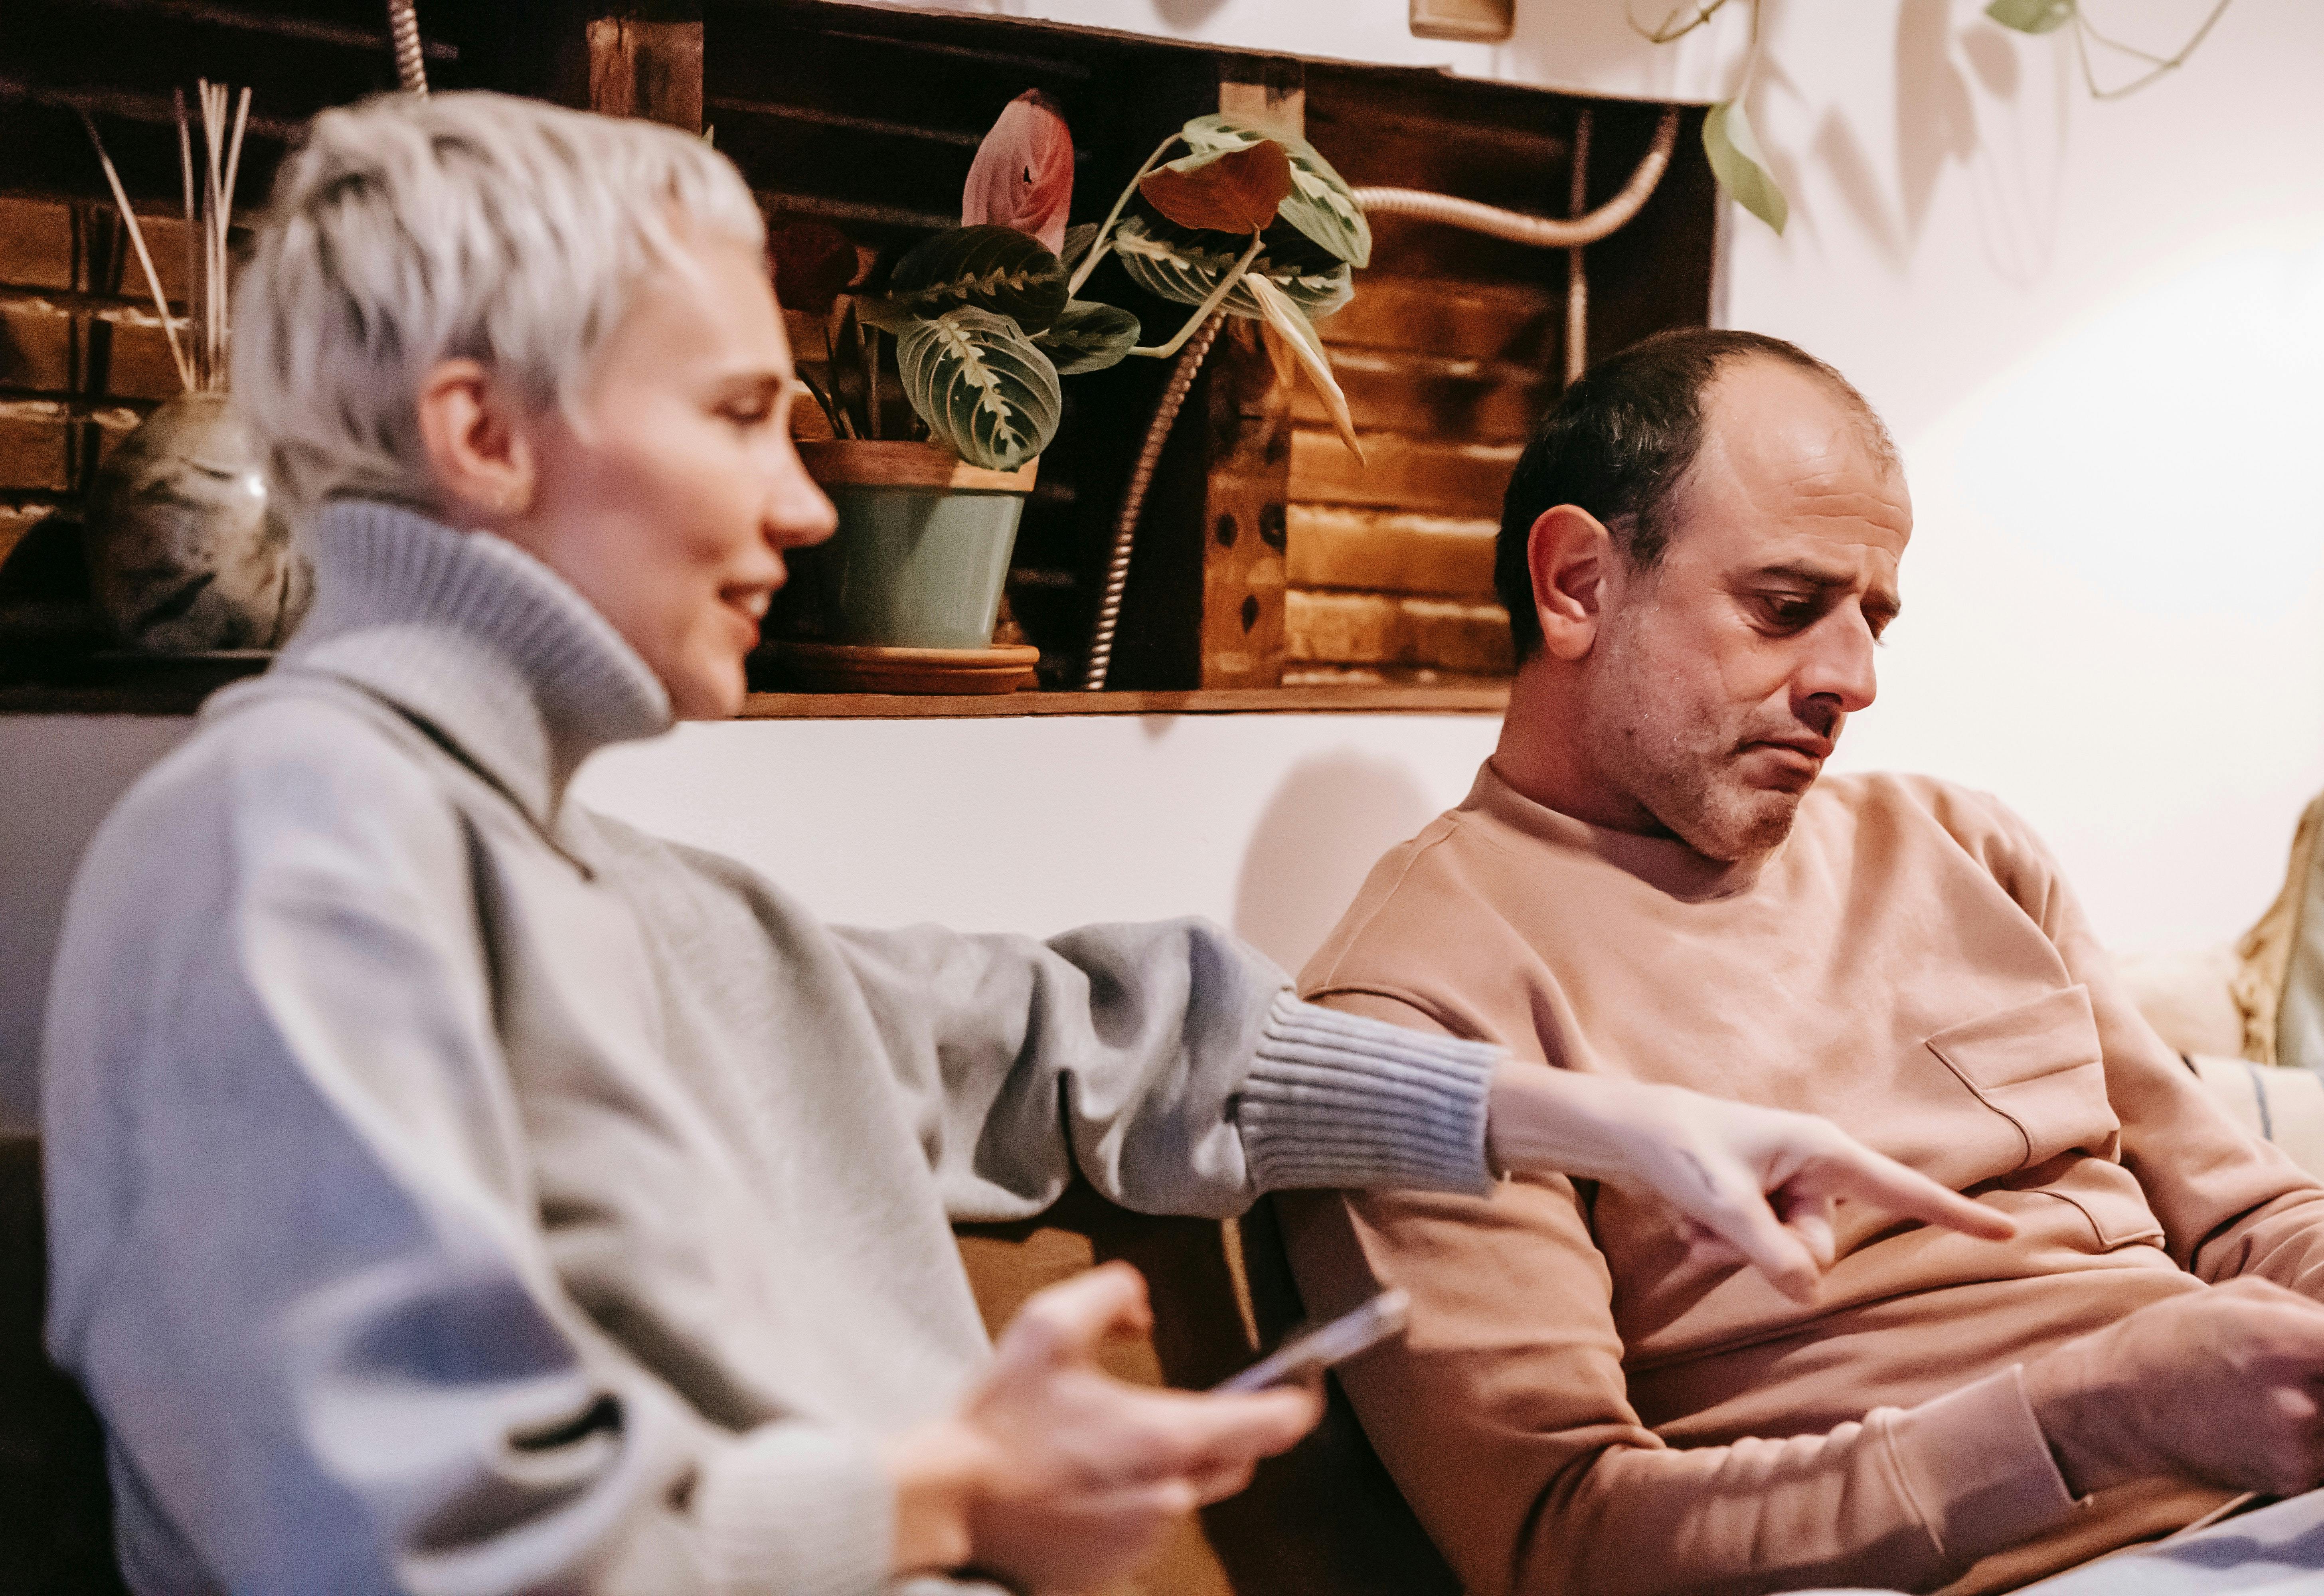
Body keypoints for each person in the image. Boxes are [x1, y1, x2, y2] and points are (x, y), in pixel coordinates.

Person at [36, 99, 2007, 1596]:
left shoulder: (621, 895)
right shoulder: (276, 849)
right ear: (480, 433)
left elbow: (1095, 1042)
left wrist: (1620, 1125)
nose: (810, 506)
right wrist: (952, 1492)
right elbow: (381, 1536)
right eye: (742, 414)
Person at [1275, 327, 2324, 1596]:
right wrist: (2086, 1421)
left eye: (1874, 620)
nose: (1855, 680)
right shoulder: (1413, 1017)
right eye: (1789, 609)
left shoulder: (1961, 847)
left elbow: (2246, 1213)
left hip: (2311, 1521)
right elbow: (1562, 1542)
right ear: (1579, 582)